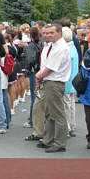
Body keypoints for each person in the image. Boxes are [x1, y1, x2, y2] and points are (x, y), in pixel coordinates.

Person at [36, 24, 71, 153]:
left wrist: (39, 76)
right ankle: (48, 139)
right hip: (49, 81)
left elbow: (50, 68)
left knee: (57, 113)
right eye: (46, 33)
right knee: (49, 113)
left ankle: (60, 143)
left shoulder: (60, 47)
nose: (49, 35)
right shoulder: (52, 46)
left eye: (52, 33)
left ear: (59, 33)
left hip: (55, 82)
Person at [23, 27, 42, 128]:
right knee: (38, 96)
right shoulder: (41, 43)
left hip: (34, 71)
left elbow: (30, 59)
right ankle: (37, 119)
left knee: (34, 97)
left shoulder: (31, 46)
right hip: (40, 70)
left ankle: (32, 120)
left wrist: (27, 68)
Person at [62, 27, 78, 137]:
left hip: (67, 81)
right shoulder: (73, 48)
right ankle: (72, 126)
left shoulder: (66, 49)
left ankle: (67, 127)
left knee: (66, 105)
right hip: (73, 81)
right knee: (71, 105)